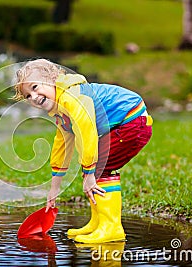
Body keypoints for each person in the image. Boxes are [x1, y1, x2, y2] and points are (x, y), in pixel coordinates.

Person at [13, 58, 153, 243]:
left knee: (101, 168)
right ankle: (98, 223)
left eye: (35, 87)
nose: (33, 97)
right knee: (95, 169)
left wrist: (89, 173)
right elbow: (62, 145)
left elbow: (87, 131)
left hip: (132, 121)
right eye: (28, 96)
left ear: (52, 79)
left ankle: (111, 228)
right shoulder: (60, 109)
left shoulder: (73, 97)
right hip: (127, 123)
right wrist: (54, 189)